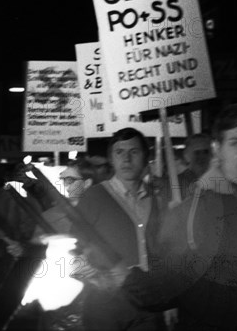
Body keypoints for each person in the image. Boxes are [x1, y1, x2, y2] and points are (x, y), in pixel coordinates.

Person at [122, 102, 237, 330]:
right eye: (236, 144)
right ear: (218, 149)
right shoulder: (191, 213)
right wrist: (124, 277)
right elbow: (163, 289)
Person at [74, 127, 166, 331]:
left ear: (145, 157)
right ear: (111, 159)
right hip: (107, 307)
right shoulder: (94, 197)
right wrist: (94, 275)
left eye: (134, 152)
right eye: (119, 152)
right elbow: (75, 247)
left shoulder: (158, 198)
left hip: (150, 302)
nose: (126, 159)